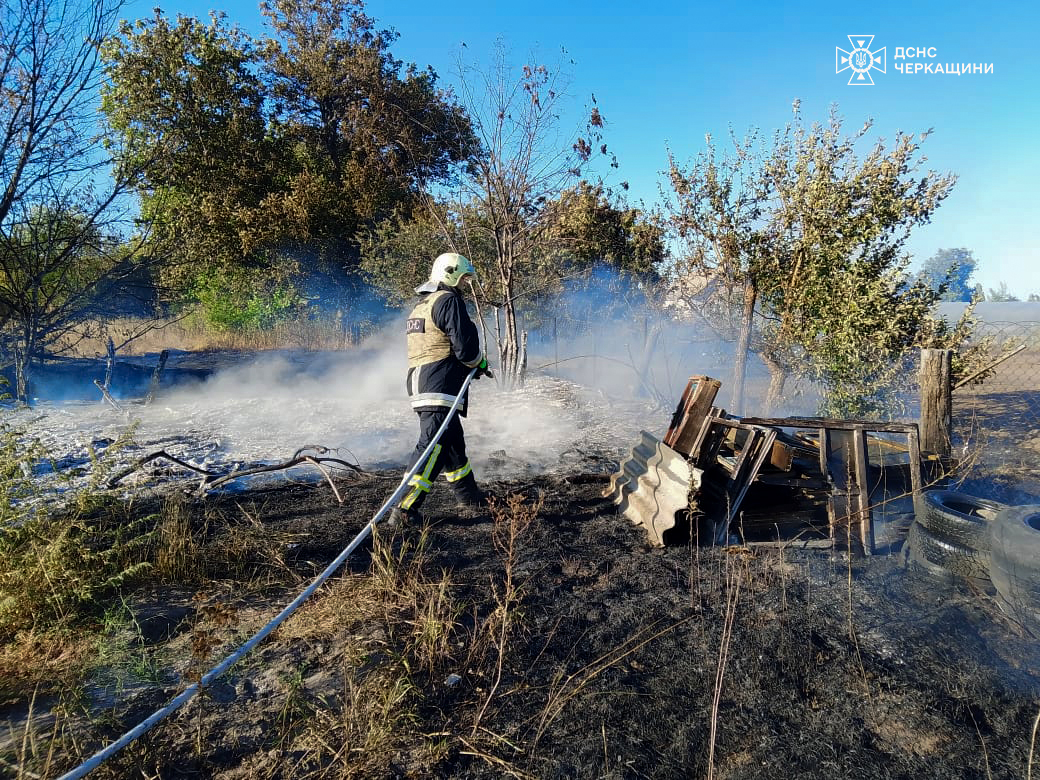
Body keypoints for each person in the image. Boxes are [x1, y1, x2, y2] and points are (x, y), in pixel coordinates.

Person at [388, 252, 492, 527]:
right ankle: (404, 508)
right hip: (439, 382)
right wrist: (479, 363)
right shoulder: (449, 301)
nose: (463, 285)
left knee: (452, 442)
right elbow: (465, 349)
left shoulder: (423, 304)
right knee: (433, 445)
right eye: (462, 278)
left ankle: (468, 496)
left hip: (420, 380)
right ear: (451, 274)